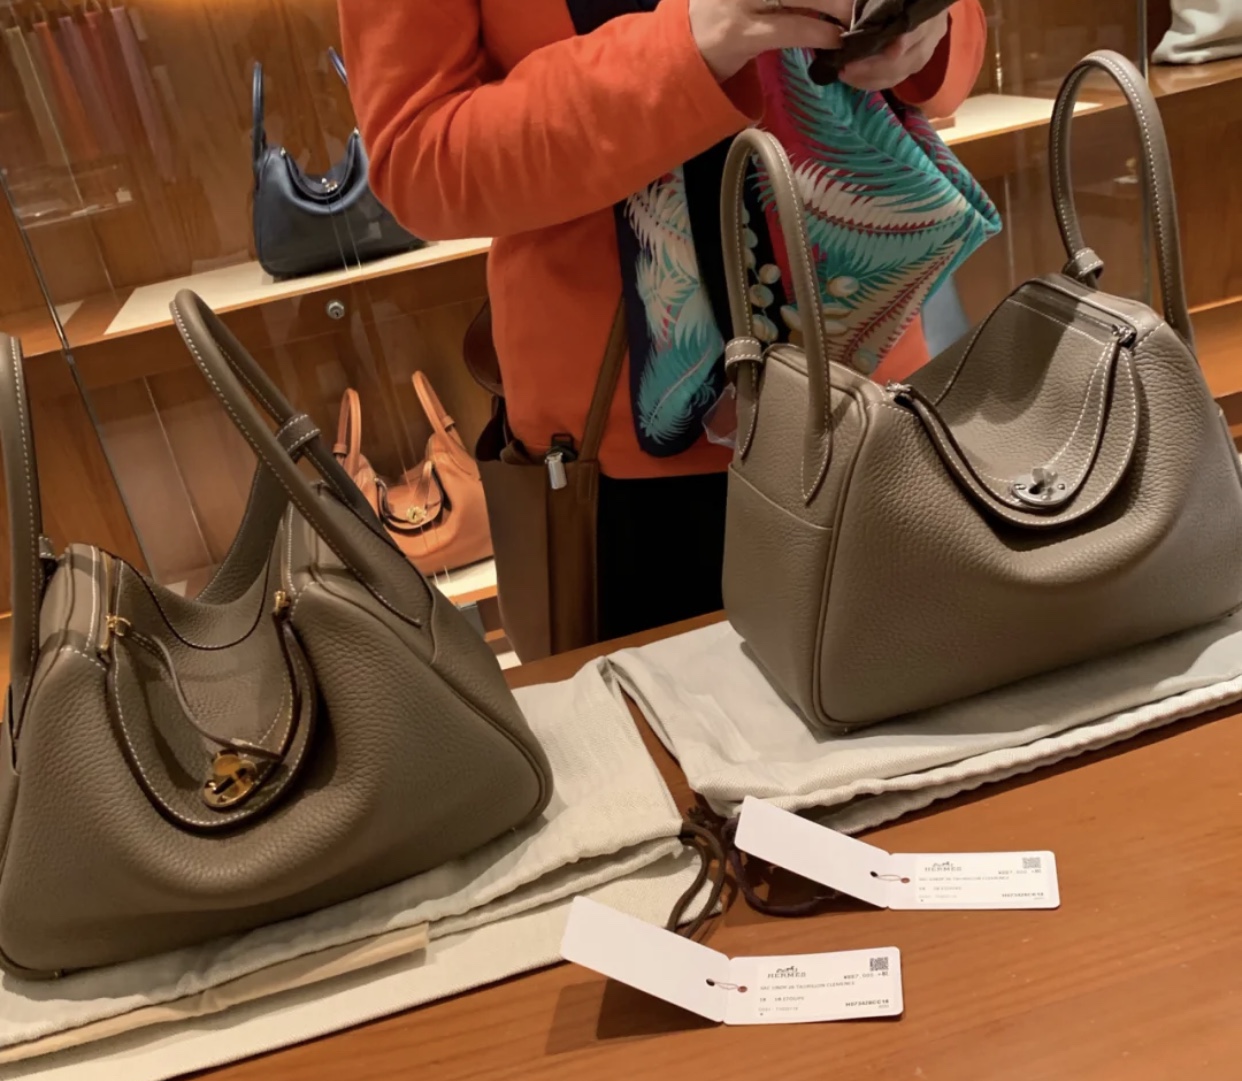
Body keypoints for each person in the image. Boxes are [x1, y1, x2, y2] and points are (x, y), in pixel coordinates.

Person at [338, 0, 989, 642]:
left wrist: (926, 28)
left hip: (868, 391)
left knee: (929, 677)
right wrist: (687, 48)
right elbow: (417, 159)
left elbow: (953, 52)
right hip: (626, 467)